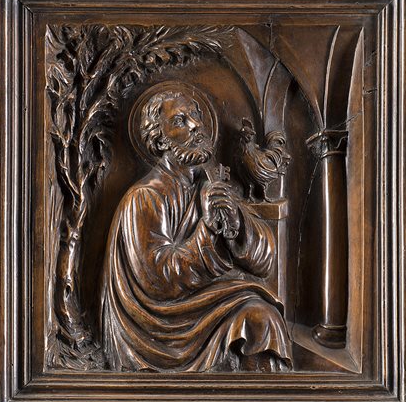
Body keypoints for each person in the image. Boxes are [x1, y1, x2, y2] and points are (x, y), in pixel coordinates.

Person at [100, 86, 293, 372]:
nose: (195, 126)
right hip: (161, 324)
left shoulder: (210, 185)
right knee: (259, 320)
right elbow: (160, 280)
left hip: (202, 306)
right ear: (160, 140)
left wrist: (237, 226)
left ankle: (263, 399)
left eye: (195, 115)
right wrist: (208, 231)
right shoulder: (145, 197)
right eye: (180, 121)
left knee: (263, 319)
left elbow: (264, 260)